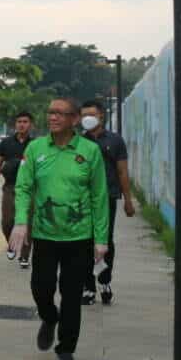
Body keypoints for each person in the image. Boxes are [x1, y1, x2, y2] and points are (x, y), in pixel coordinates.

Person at [9, 98, 109, 360]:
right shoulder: (36, 148)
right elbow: (23, 187)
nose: (53, 117)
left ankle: (66, 349)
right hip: (45, 234)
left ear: (74, 119)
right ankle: (49, 317)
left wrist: (101, 239)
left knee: (72, 293)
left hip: (79, 236)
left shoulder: (89, 151)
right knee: (41, 287)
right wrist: (21, 222)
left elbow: (100, 197)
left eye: (60, 114)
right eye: (50, 112)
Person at [79, 100, 134, 305]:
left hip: (108, 198)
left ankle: (105, 280)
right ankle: (88, 287)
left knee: (104, 241)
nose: (87, 118)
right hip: (82, 200)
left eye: (91, 114)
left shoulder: (115, 141)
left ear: (101, 115)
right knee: (84, 241)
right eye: (83, 115)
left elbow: (122, 171)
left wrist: (128, 200)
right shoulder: (78, 142)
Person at [0, 111, 35, 268]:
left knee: (27, 222)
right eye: (19, 122)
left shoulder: (35, 144)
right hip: (10, 186)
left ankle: (24, 255)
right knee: (7, 221)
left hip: (30, 189)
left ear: (31, 124)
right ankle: (12, 243)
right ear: (15, 124)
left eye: (25, 121)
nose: (22, 124)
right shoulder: (6, 143)